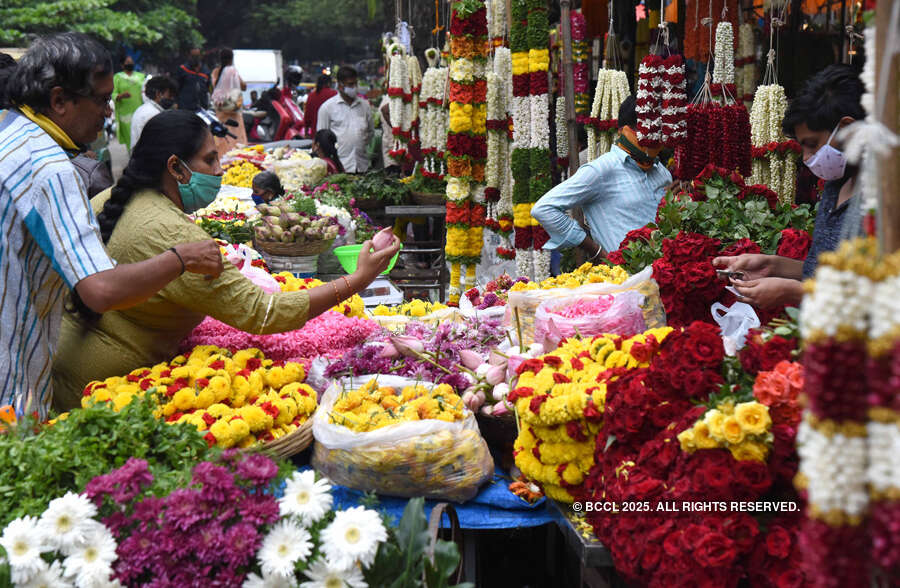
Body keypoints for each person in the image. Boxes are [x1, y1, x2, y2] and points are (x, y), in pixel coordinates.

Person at [52, 109, 401, 408]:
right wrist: (357, 280)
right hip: (107, 390)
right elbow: (265, 313)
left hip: (64, 365)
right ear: (175, 167)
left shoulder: (108, 199)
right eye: (209, 159)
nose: (220, 170)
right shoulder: (174, 236)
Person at [1, 33, 224, 418]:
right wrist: (180, 258)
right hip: (10, 374)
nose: (109, 112)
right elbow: (99, 291)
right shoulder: (50, 169)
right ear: (59, 101)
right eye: (103, 99)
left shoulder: (8, 130)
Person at [714, 64, 866, 309]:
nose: (806, 159)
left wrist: (797, 294)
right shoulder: (835, 185)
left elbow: (881, 298)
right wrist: (772, 266)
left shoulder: (885, 198)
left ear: (847, 129)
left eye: (812, 144)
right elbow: (819, 274)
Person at [531, 95, 672, 260]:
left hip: (666, 275)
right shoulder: (602, 170)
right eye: (650, 133)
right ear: (626, 131)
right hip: (625, 280)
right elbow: (544, 208)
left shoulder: (660, 171)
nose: (656, 141)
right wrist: (598, 252)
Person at [317, 66, 373, 173]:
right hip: (339, 168)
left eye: (356, 84)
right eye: (350, 84)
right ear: (340, 85)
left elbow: (370, 133)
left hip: (362, 166)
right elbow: (322, 139)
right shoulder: (327, 108)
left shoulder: (365, 106)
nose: (355, 87)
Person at [211, 48, 248, 153]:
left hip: (221, 112)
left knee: (222, 139)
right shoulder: (232, 71)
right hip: (234, 111)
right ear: (232, 59)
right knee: (237, 141)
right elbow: (244, 86)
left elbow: (215, 88)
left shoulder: (215, 72)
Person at [130, 75, 176, 150]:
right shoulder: (155, 115)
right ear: (158, 94)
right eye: (170, 95)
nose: (172, 99)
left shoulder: (142, 109)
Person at [112, 55, 146, 151]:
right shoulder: (117, 77)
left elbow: (146, 92)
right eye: (127, 62)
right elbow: (113, 94)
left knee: (142, 136)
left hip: (140, 111)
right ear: (122, 65)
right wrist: (121, 96)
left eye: (131, 62)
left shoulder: (141, 76)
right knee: (130, 140)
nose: (130, 64)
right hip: (125, 115)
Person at [175, 47, 210, 112]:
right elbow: (177, 87)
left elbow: (207, 89)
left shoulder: (206, 71)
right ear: (189, 56)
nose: (195, 58)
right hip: (185, 108)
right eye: (193, 56)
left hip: (201, 109)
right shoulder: (183, 69)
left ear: (201, 56)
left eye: (197, 56)